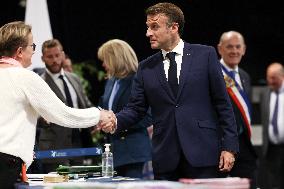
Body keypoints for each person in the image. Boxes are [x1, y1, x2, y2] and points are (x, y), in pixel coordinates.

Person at [100, 3, 239, 181]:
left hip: (204, 155)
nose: (148, 33)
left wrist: (229, 147)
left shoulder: (205, 55)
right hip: (166, 159)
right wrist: (114, 120)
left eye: (154, 27)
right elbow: (136, 109)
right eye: (148, 27)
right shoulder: (145, 68)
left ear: (174, 27)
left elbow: (223, 104)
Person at [0, 21, 114, 188]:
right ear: (19, 51)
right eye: (32, 45)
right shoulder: (25, 78)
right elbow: (62, 114)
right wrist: (99, 114)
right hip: (5, 164)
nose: (33, 50)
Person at [36, 39, 95, 173]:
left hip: (78, 143)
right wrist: (41, 118)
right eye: (50, 57)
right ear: (43, 58)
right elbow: (34, 110)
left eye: (57, 55)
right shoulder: (39, 82)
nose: (55, 60)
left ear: (63, 55)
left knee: (80, 185)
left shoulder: (74, 78)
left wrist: (98, 117)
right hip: (53, 146)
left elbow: (86, 105)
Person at [97, 39, 152, 178]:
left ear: (116, 59)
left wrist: (117, 123)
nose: (103, 64)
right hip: (113, 152)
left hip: (133, 152)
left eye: (105, 60)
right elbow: (106, 109)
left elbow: (148, 116)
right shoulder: (111, 81)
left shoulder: (138, 79)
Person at [217, 31, 258, 188]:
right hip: (219, 146)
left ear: (244, 49)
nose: (234, 51)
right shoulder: (212, 73)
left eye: (237, 47)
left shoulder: (245, 76)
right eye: (229, 47)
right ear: (220, 49)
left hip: (244, 145)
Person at [260, 62, 284, 189]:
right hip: (271, 149)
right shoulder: (265, 94)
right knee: (273, 183)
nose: (270, 81)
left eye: (273, 77)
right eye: (268, 77)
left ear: (282, 76)